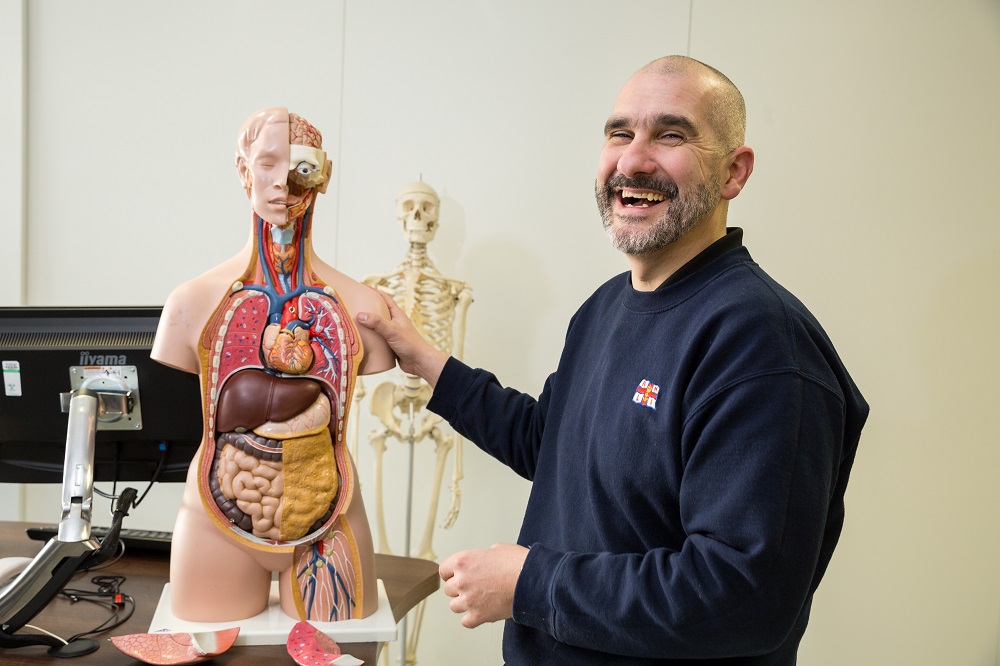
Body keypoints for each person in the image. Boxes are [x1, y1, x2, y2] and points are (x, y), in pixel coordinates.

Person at [355, 55, 869, 665]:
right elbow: (553, 445)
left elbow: (742, 595)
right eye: (620, 133)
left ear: (735, 172)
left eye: (671, 134)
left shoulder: (762, 345)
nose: (632, 159)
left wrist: (529, 584)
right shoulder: (605, 309)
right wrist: (425, 360)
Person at [151, 107, 393, 623]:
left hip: (329, 519)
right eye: (267, 164)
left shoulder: (361, 307)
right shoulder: (191, 303)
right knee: (210, 653)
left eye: (302, 167)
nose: (283, 183)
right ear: (243, 171)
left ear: (323, 177)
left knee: (341, 657)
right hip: (217, 515)